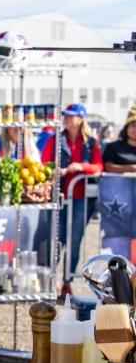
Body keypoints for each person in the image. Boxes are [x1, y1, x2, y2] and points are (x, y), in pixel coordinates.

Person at [42, 103, 102, 292]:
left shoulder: (91, 142)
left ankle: (67, 282)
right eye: (65, 115)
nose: (66, 118)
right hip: (59, 197)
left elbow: (99, 167)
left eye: (70, 115)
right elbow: (44, 164)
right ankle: (50, 281)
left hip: (81, 200)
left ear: (80, 118)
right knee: (56, 240)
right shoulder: (54, 140)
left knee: (74, 242)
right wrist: (54, 170)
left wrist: (79, 168)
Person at [102, 106, 136, 173]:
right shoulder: (112, 147)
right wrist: (130, 168)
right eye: (133, 125)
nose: (135, 129)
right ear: (126, 127)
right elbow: (108, 167)